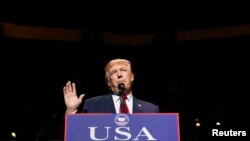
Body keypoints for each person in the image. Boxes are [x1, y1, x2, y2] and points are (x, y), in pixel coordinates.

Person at [63, 58, 159, 114]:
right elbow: (77, 132)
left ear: (132, 77)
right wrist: (71, 111)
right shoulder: (91, 105)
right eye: (114, 72)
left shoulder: (150, 109)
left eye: (124, 70)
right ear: (108, 82)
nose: (119, 74)